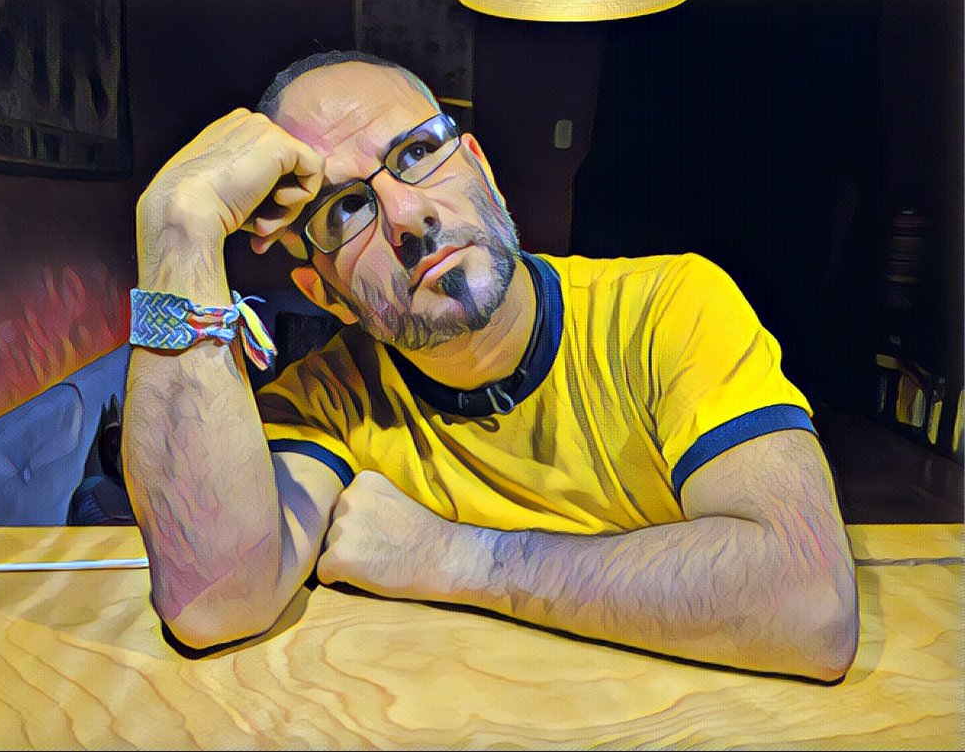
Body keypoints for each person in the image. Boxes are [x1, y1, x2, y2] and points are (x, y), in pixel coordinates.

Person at [122, 50, 859, 682]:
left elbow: (809, 602)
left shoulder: (670, 308)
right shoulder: (328, 402)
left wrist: (458, 558)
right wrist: (178, 228)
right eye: (344, 210)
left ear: (482, 170)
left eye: (417, 153)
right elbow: (213, 605)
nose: (407, 216)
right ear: (324, 294)